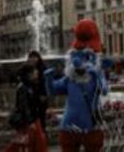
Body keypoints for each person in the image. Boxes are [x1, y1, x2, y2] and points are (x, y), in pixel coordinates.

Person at [45, 19, 108, 152]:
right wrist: (48, 79)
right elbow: (52, 90)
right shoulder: (70, 79)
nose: (78, 61)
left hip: (90, 128)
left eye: (85, 57)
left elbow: (104, 90)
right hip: (69, 127)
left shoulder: (95, 76)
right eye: (75, 55)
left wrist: (96, 75)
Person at [5, 64, 48, 152]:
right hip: (29, 120)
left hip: (34, 118)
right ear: (29, 74)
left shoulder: (30, 85)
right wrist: (30, 121)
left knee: (35, 142)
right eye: (35, 71)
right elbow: (24, 106)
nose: (37, 72)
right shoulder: (23, 87)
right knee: (28, 142)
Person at [27, 51, 48, 134]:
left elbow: (45, 83)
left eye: (35, 57)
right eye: (31, 57)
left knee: (41, 117)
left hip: (41, 97)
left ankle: (43, 134)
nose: (33, 59)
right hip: (31, 97)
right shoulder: (27, 69)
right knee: (33, 118)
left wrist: (44, 95)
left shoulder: (43, 68)